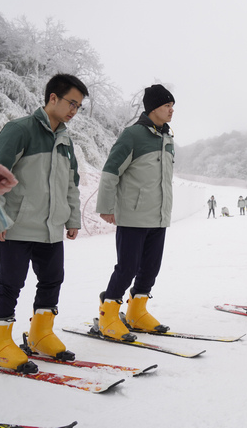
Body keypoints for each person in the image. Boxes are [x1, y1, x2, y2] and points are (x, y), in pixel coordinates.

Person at [0, 74, 88, 372]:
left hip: (51, 229)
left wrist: (72, 218)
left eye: (79, 106)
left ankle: (40, 335)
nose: (74, 110)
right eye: (71, 102)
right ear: (52, 99)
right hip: (16, 226)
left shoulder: (65, 140)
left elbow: (71, 184)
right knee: (10, 284)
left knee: (52, 280)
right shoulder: (19, 130)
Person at [95, 84, 175, 341]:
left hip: (158, 216)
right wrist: (106, 207)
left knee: (151, 267)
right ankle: (108, 316)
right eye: (167, 106)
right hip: (133, 215)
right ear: (153, 108)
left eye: (173, 106)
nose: (171, 110)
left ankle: (137, 313)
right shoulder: (133, 135)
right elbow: (111, 171)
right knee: (128, 267)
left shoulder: (167, 138)